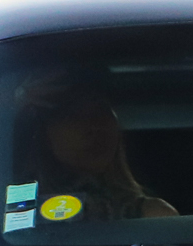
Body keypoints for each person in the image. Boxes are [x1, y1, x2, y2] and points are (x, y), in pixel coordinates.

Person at [20, 83, 177, 223]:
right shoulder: (20, 216)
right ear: (44, 135)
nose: (94, 126)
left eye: (102, 110)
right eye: (72, 115)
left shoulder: (152, 215)